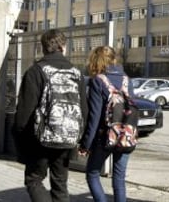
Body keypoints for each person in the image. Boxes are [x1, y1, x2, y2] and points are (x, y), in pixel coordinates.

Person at [13, 29, 87, 202]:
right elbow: (84, 109)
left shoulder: (36, 71)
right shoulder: (76, 73)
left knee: (34, 179)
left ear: (43, 47)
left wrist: (20, 139)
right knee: (60, 183)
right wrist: (79, 138)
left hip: (39, 139)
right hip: (67, 138)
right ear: (63, 47)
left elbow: (24, 111)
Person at [79, 46, 134, 202]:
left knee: (92, 173)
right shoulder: (126, 79)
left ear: (96, 61)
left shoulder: (98, 80)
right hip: (126, 135)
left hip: (105, 137)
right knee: (119, 178)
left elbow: (95, 116)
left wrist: (86, 144)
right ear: (114, 59)